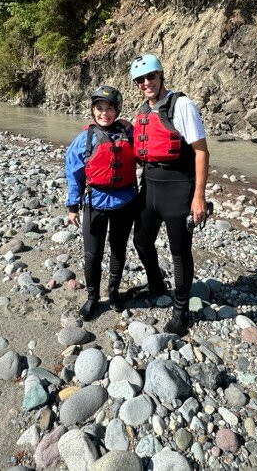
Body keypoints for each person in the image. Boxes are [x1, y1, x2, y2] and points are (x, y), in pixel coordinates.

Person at [130, 54, 210, 336]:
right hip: (149, 187)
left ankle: (181, 310)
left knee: (179, 252)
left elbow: (201, 152)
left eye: (151, 76)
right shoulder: (144, 110)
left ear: (161, 75)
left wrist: (198, 196)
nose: (146, 83)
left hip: (178, 188)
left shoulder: (182, 105)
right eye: (140, 80)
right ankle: (156, 284)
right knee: (141, 241)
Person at [65, 85, 138, 319]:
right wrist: (72, 206)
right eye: (99, 108)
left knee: (118, 250)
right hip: (95, 203)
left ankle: (114, 293)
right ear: (92, 110)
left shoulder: (128, 134)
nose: (104, 113)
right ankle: (92, 297)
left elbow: (149, 149)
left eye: (109, 108)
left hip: (124, 203)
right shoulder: (84, 139)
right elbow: (73, 172)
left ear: (117, 111)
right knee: (92, 255)